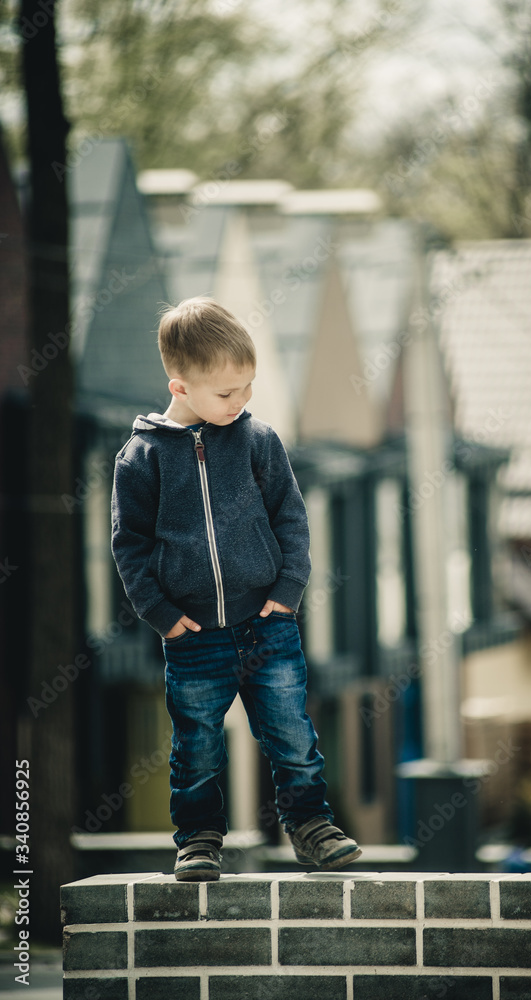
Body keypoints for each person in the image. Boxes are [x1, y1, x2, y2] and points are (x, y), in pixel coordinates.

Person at [111, 296, 361, 881]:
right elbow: (130, 547)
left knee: (291, 730)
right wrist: (161, 613)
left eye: (247, 387)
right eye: (226, 393)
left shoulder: (258, 442)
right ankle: (198, 838)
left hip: (267, 623)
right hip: (192, 635)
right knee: (196, 743)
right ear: (180, 386)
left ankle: (310, 825)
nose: (240, 401)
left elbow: (291, 519)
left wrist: (288, 590)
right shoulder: (140, 460)